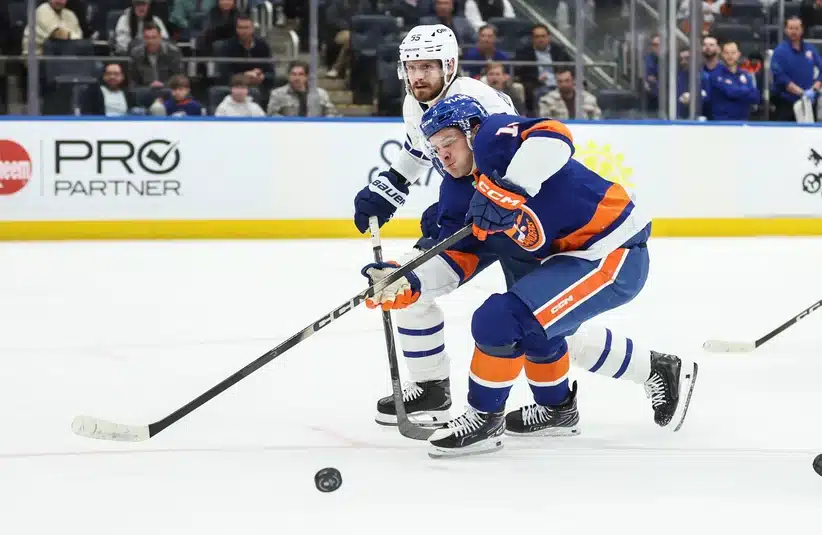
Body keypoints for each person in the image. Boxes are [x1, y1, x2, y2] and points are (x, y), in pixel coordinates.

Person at [361, 95, 699, 457]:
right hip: (564, 258)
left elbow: (554, 137)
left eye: (448, 142)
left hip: (612, 249)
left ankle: (484, 420)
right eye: (435, 149)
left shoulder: (492, 137)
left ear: (470, 131)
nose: (442, 155)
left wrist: (509, 189)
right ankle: (558, 409)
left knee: (500, 320)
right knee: (538, 332)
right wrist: (408, 280)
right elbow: (457, 257)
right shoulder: (457, 194)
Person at [351, 24, 518, 427]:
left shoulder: (483, 101)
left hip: (515, 222)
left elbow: (519, 161)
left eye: (427, 66)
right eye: (411, 67)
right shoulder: (414, 104)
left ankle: (579, 395)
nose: (418, 76)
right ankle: (431, 390)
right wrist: (390, 185)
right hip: (468, 222)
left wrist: (473, 203)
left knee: (544, 322)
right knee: (405, 286)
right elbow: (418, 151)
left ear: (449, 65)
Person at [709, 41, 759, 121]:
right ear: (722, 54)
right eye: (727, 53)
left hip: (742, 122)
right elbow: (731, 92)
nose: (730, 56)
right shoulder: (716, 74)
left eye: (733, 53)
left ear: (739, 54)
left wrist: (737, 89)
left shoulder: (746, 74)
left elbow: (755, 97)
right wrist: (746, 89)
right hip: (721, 123)